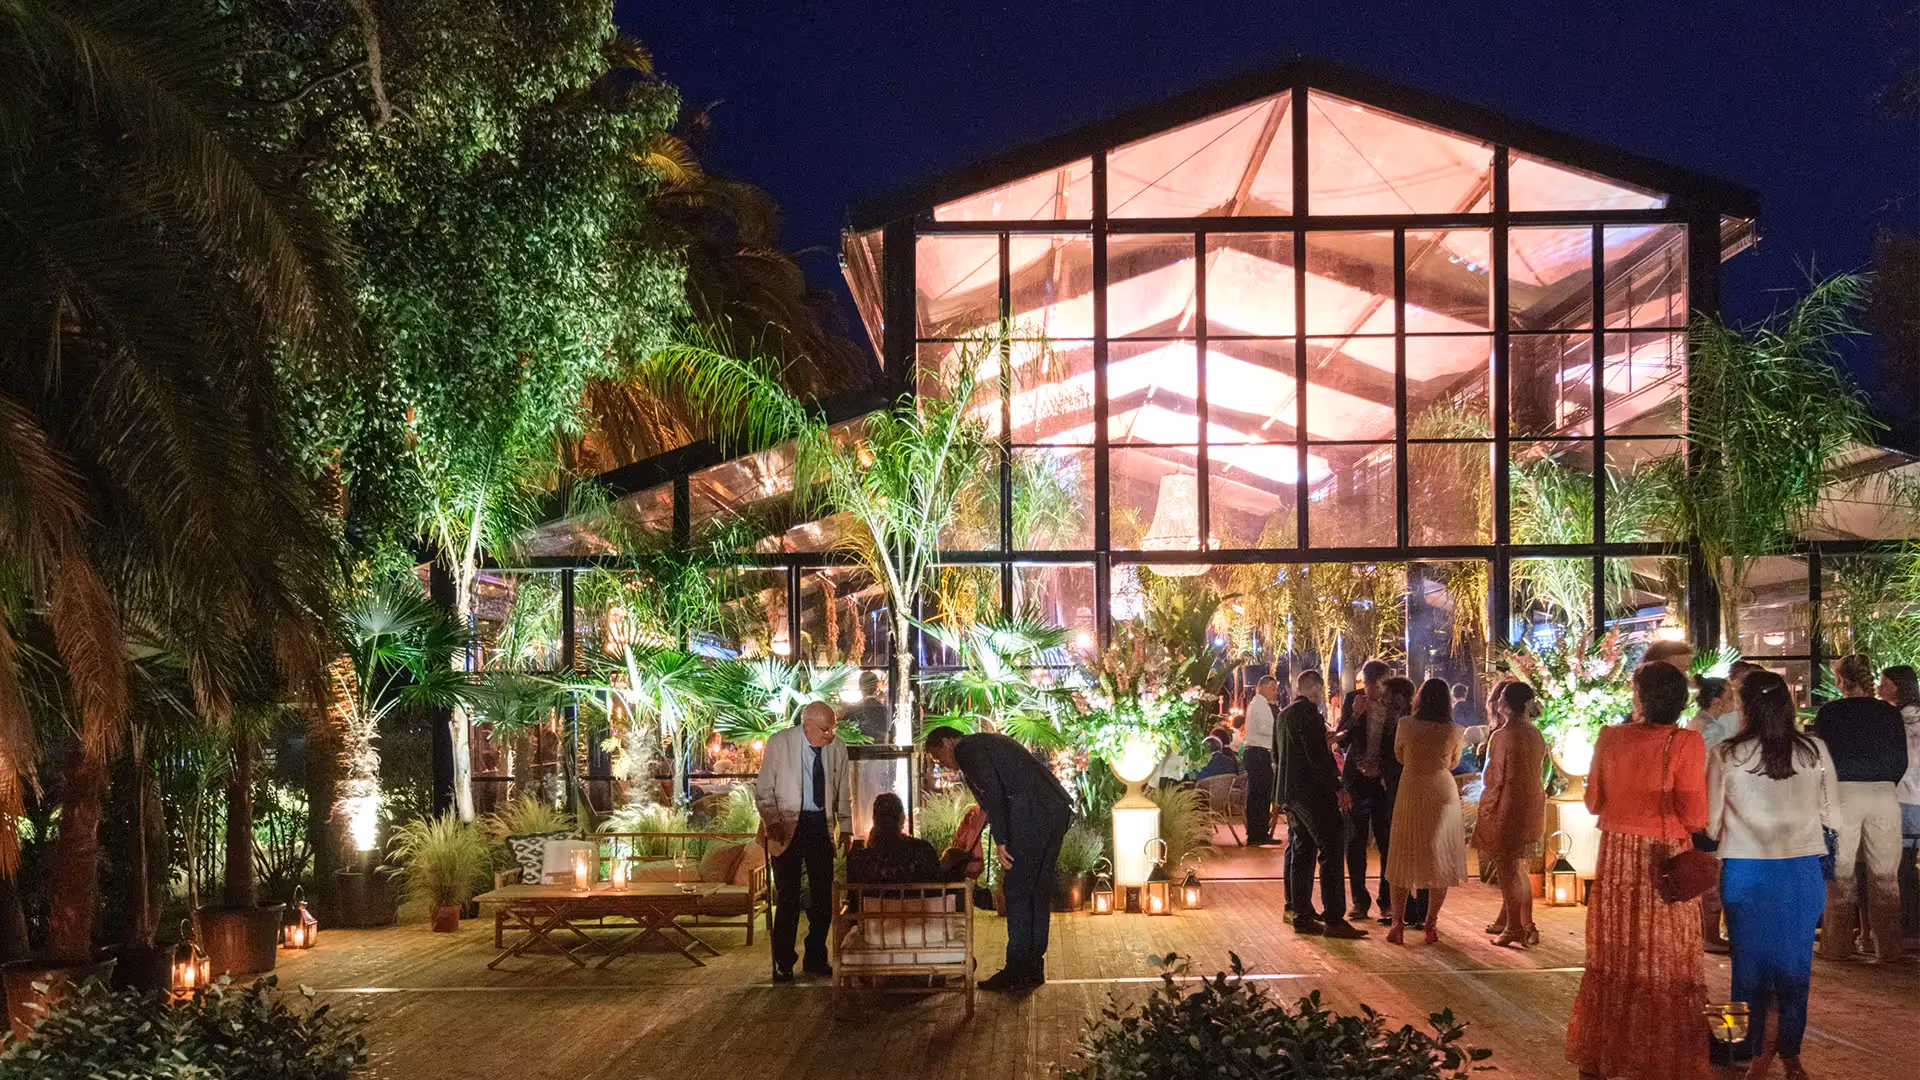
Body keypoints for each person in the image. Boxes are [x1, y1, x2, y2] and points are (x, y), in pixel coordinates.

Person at [1566, 662, 1709, 1080]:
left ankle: (1607, 1054)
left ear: (1641, 696)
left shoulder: (1610, 737)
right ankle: (1660, 1056)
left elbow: (1594, 802)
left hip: (1617, 857)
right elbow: (1695, 816)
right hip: (1664, 857)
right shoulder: (1686, 742)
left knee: (1616, 954)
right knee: (1665, 957)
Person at [1707, 671, 1837, 1080]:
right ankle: (1790, 1055)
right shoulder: (1814, 750)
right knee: (1796, 970)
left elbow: (1709, 823)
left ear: (1744, 706)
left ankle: (1742, 1053)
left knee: (1746, 971)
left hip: (1745, 870)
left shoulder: (1726, 754)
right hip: (1801, 870)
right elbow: (1833, 814)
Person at [923, 725, 1074, 990]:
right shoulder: (985, 743)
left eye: (939, 757)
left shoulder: (966, 750)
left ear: (947, 742)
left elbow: (994, 794)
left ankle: (1016, 970)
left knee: (1016, 890)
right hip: (1053, 811)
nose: (943, 764)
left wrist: (1002, 839)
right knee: (1037, 890)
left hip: (1031, 817)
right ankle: (1032, 967)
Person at [1811, 653, 1907, 962]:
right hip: (1883, 792)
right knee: (1885, 875)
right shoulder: (1889, 713)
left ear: (1841, 680)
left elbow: (1820, 757)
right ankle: (1888, 948)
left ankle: (1837, 946)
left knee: (1840, 873)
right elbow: (1900, 759)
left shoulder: (1830, 712)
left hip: (1842, 792)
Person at [755, 700, 852, 982]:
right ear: (807, 725)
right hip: (786, 825)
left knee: (823, 896)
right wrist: (772, 822)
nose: (830, 735)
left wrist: (846, 827)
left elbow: (843, 790)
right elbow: (764, 789)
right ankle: (783, 961)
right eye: (825, 729)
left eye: (833, 729)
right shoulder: (780, 743)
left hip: (820, 824)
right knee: (788, 896)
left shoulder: (837, 747)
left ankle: (815, 957)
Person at [1275, 669, 1367, 939]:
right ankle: (1334, 918)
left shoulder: (1283, 715)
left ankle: (1301, 914)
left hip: (1291, 792)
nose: (1323, 694)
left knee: (1302, 850)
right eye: (1322, 689)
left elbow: (1278, 755)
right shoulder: (1310, 714)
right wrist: (1337, 787)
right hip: (1312, 793)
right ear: (1315, 688)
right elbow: (1317, 757)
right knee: (1332, 847)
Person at [1383, 678, 1468, 945]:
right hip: (1442, 790)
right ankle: (1431, 924)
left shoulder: (1406, 724)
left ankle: (1397, 924)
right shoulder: (1454, 730)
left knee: (1403, 853)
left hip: (1411, 788)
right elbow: (1453, 763)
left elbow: (1399, 755)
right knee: (1439, 857)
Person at [1477, 680, 1548, 948]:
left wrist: (1485, 809)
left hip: (1508, 806)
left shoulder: (1502, 736)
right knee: (1518, 867)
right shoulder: (1535, 734)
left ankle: (1514, 927)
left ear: (1505, 704)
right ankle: (1524, 924)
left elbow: (1494, 778)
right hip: (1532, 804)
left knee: (1507, 868)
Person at [1336, 659, 1396, 920]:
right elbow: (1341, 740)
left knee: (1387, 842)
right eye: (1367, 685)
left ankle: (1387, 900)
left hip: (1384, 782)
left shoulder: (1394, 702)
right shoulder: (1353, 699)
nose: (1371, 692)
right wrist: (1355, 715)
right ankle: (1360, 902)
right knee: (1355, 842)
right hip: (1356, 780)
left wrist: (1383, 766)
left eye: (1376, 687)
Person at [1688, 675, 1742, 953]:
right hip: (1709, 805)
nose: (1734, 703)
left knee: (1710, 869)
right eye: (1730, 697)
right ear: (1717, 701)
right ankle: (1709, 933)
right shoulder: (1711, 730)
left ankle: (1707, 931)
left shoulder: (1700, 725)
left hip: (1703, 804)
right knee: (1712, 871)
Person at [1881, 664, 1920, 936]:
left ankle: (1908, 922)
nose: (1879, 688)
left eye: (1884, 683)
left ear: (1897, 687)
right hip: (1914, 796)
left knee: (1902, 864)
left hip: (1904, 795)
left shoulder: (1898, 719)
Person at [1243, 675, 1282, 845]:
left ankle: (1257, 832)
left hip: (1258, 752)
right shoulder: (1259, 704)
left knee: (1259, 793)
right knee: (1260, 793)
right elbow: (1263, 728)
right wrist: (1279, 728)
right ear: (1262, 687)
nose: (1275, 692)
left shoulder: (1258, 704)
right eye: (1273, 688)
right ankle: (1257, 833)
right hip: (1258, 752)